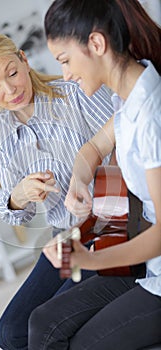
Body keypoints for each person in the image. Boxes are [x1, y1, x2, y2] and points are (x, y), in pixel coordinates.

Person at [0, 31, 114, 349]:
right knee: (10, 333)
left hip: (110, 227)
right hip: (64, 235)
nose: (10, 90)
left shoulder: (75, 93)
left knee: (46, 324)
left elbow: (126, 148)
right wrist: (19, 196)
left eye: (13, 73)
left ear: (24, 59)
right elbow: (16, 214)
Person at [28, 0, 161, 349]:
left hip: (156, 268)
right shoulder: (129, 94)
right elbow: (93, 149)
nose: (66, 74)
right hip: (145, 261)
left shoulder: (152, 115)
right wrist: (78, 181)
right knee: (42, 323)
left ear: (97, 44)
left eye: (66, 61)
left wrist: (89, 259)